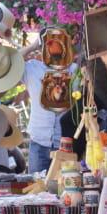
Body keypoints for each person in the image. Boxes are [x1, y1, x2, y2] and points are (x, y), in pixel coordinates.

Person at [21, 44, 72, 174]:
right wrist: (33, 46)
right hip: (38, 141)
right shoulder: (31, 68)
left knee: (64, 189)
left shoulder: (73, 69)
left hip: (64, 144)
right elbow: (10, 63)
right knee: (36, 189)